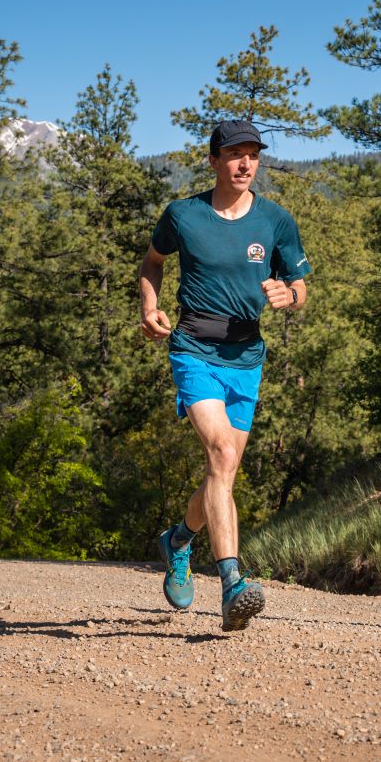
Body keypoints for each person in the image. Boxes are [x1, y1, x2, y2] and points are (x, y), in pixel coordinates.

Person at [138, 120, 311, 632]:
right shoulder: (183, 214)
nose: (245, 164)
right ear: (213, 160)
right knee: (221, 454)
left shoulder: (275, 221)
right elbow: (152, 263)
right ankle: (233, 581)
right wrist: (150, 306)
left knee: (224, 471)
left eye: (253, 155)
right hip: (193, 347)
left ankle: (179, 540)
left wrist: (290, 296)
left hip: (247, 355)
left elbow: (301, 286)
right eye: (235, 154)